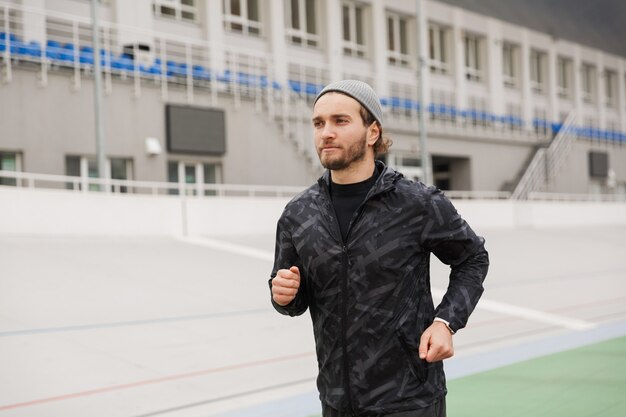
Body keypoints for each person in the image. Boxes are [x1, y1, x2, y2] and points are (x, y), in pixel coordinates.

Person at [269, 80, 489, 417]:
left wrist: (446, 321)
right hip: (337, 402)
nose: (326, 132)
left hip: (410, 399)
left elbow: (473, 259)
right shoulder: (298, 215)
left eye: (340, 121)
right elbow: (293, 297)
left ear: (373, 132)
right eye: (319, 123)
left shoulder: (417, 203)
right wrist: (284, 296)